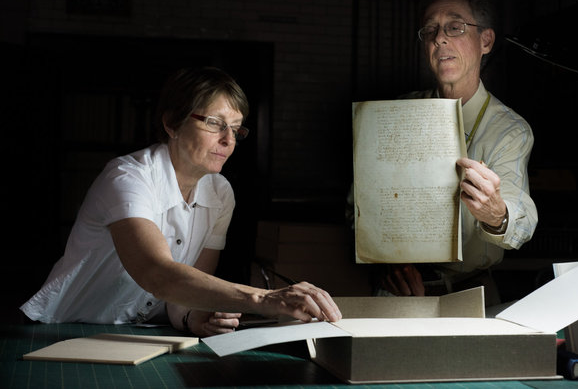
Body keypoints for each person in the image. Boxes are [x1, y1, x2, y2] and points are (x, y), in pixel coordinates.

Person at [21, 67, 342, 336]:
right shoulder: (127, 178)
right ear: (172, 122)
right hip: (69, 330)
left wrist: (192, 316)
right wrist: (265, 298)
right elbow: (157, 274)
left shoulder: (220, 193)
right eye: (215, 123)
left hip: (146, 334)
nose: (228, 140)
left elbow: (188, 291)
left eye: (235, 128)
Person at [379, 0, 538, 304]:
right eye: (430, 30)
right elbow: (357, 206)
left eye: (455, 27)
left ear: (486, 41)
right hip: (397, 295)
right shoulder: (393, 115)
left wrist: (496, 214)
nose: (439, 38)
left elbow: (521, 218)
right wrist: (386, 258)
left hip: (470, 295)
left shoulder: (508, 129)